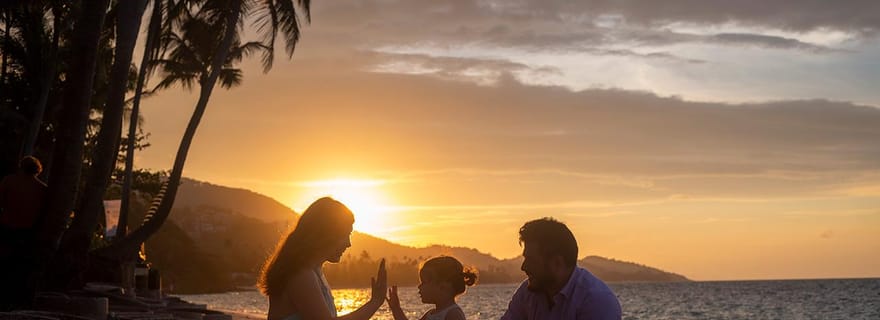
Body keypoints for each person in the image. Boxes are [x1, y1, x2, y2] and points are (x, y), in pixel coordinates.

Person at [258, 197, 387, 320]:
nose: (348, 243)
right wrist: (374, 302)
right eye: (345, 235)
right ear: (326, 234)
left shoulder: (313, 272)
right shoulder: (300, 274)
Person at [500, 217, 622, 320]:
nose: (524, 267)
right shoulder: (528, 292)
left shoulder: (597, 302)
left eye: (531, 260)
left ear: (557, 263)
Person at [0, 156, 48, 310]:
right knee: (21, 269)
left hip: (8, 228)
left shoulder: (9, 181)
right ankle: (17, 302)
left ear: (21, 167)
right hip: (28, 233)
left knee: (6, 266)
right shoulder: (42, 188)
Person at [387, 256, 477, 320]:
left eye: (424, 282)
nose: (419, 287)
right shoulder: (430, 314)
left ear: (443, 287)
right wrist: (396, 308)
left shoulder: (453, 314)